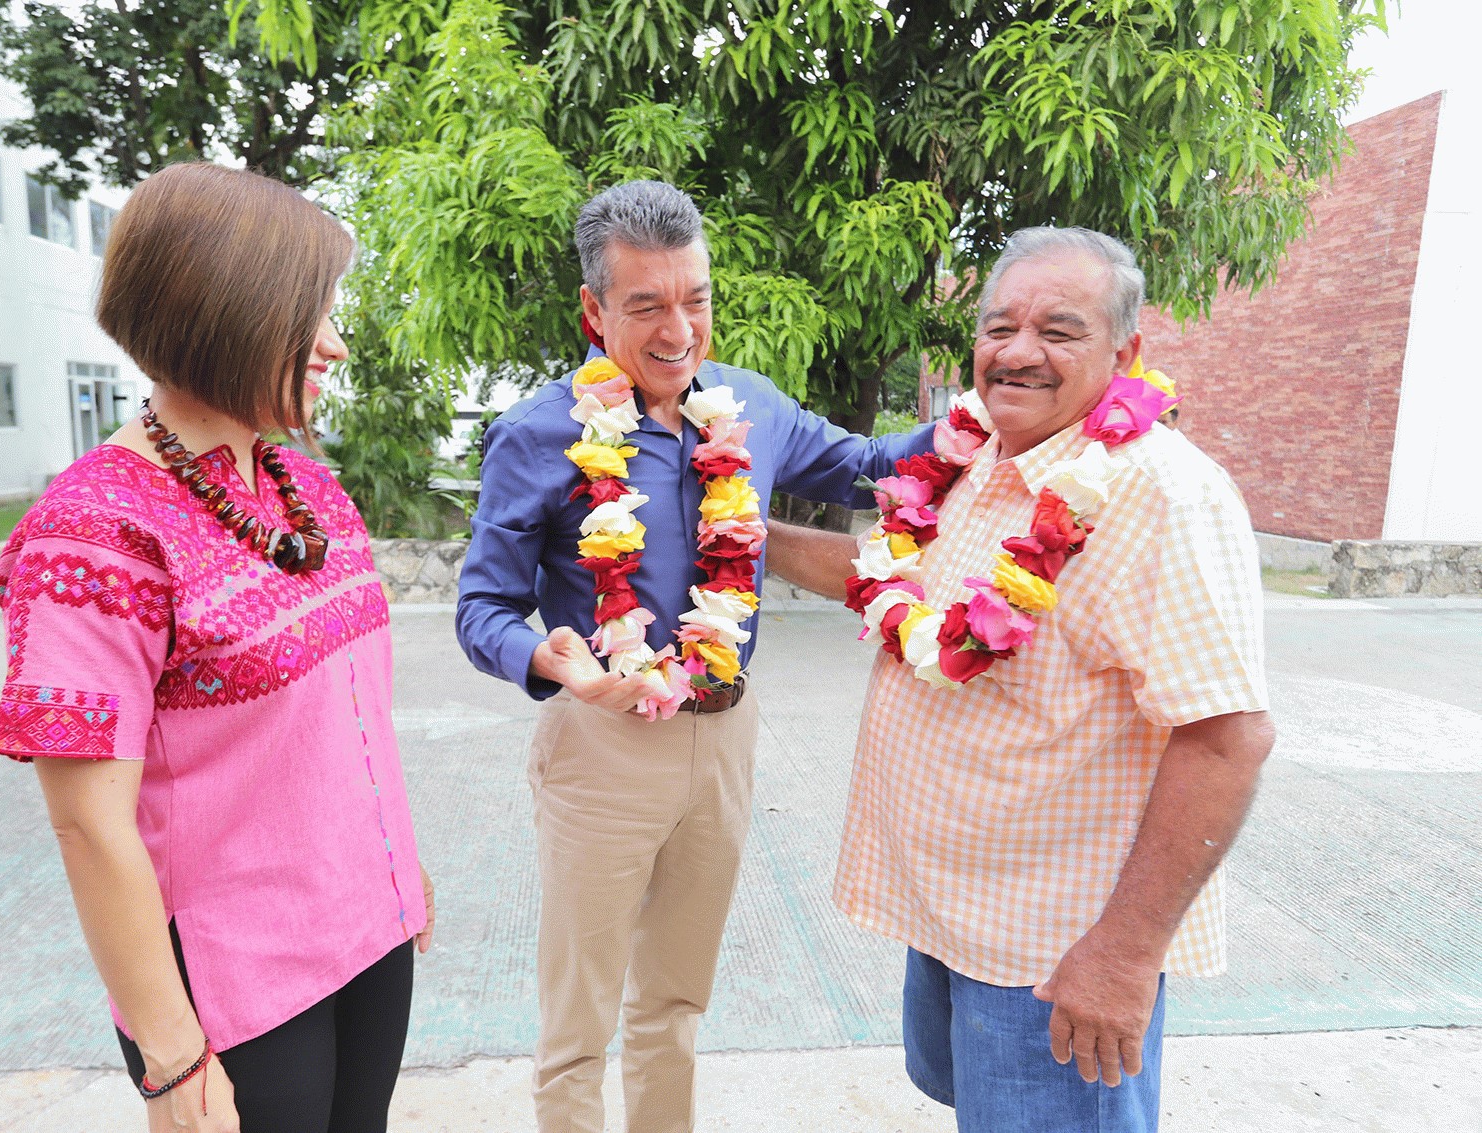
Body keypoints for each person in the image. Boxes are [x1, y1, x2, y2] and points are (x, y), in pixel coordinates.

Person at [768, 226, 1275, 1133]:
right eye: (999, 326)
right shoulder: (978, 457)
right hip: (955, 916)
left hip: (1057, 952)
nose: (1019, 351)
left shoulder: (1164, 496)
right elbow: (892, 584)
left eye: (1060, 330)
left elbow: (1227, 738)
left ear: (1125, 353)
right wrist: (748, 542)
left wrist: (1122, 956)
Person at [455, 179, 935, 1133]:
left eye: (696, 298)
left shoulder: (745, 404)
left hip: (724, 734)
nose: (680, 330)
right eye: (647, 306)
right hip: (603, 742)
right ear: (593, 312)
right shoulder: (541, 433)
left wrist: (991, 420)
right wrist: (552, 659)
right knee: (579, 1019)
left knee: (675, 1002)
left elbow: (873, 464)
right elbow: (482, 606)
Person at [0, 162, 434, 1133]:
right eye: (309, 316)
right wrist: (170, 1051)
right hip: (234, 975)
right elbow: (86, 822)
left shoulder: (309, 493)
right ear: (226, 311)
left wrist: (400, 865)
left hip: (368, 926)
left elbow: (353, 713)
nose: (336, 346)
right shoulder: (95, 532)